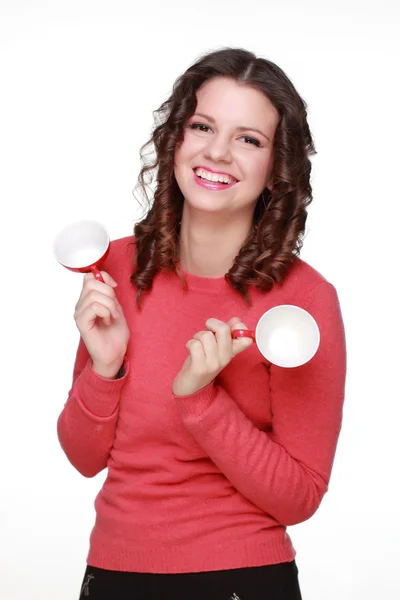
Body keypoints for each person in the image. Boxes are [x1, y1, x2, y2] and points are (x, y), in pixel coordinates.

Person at [57, 47, 346, 600]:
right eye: (202, 126)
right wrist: (105, 367)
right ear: (175, 140)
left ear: (276, 167)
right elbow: (83, 457)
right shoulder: (116, 269)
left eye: (248, 139)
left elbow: (300, 496)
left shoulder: (304, 301)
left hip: (243, 580)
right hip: (112, 574)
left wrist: (202, 402)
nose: (217, 152)